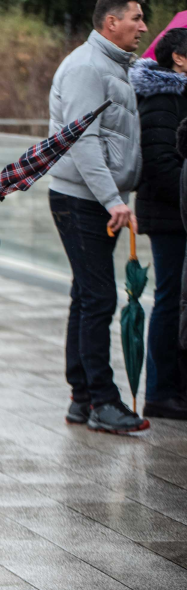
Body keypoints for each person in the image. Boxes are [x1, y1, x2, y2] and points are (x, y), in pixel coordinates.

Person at [49, 0, 148, 434]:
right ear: (111, 22)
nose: (143, 27)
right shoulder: (87, 67)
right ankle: (102, 402)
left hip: (93, 199)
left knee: (87, 296)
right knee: (99, 298)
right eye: (136, 18)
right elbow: (83, 141)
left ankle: (82, 397)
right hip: (81, 200)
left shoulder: (113, 65)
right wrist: (113, 200)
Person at [132, 28, 187, 420]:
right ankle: (160, 391)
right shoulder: (162, 98)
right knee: (170, 299)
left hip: (179, 212)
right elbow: (162, 164)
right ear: (179, 58)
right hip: (169, 217)